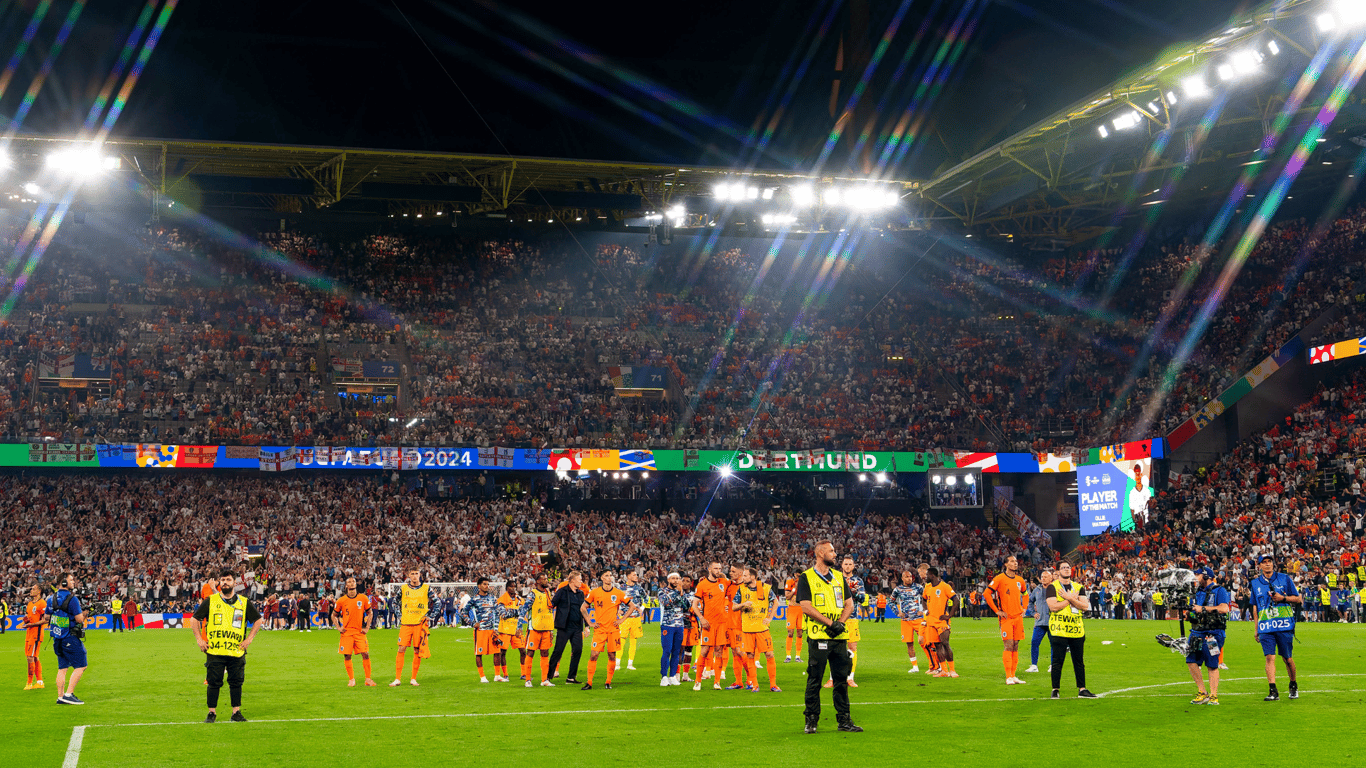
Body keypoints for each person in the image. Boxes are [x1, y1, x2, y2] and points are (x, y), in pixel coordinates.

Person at [796, 540, 861, 734]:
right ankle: (811, 720)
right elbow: (805, 606)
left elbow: (849, 604)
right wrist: (830, 624)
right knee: (815, 679)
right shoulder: (806, 577)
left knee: (841, 679)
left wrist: (839, 623)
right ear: (820, 553)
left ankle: (844, 720)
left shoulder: (839, 578)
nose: (835, 554)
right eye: (831, 551)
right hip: (818, 637)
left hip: (839, 637)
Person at [191, 568, 264, 722]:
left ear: (234, 582)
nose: (225, 582)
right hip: (215, 651)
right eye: (222, 580)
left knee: (236, 682)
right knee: (213, 682)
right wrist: (199, 639)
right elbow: (194, 619)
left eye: (228, 580)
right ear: (220, 582)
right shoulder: (211, 600)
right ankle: (212, 713)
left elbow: (258, 620)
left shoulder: (243, 603)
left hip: (236, 651)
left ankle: (235, 712)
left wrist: (249, 639)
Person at [1250, 554, 1302, 701]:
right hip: (1266, 626)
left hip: (1284, 625)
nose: (1267, 565)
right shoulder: (1255, 583)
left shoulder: (1284, 578)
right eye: (1264, 562)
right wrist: (1256, 629)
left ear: (1273, 564)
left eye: (1269, 562)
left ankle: (1293, 684)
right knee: (1269, 657)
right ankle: (1273, 690)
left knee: (1287, 659)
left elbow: (1298, 599)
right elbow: (1255, 607)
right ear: (1259, 566)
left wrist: (1282, 598)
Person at [1046, 561, 1096, 699]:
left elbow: (1085, 606)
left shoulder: (1078, 587)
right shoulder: (1052, 587)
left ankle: (1082, 689)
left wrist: (1068, 598)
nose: (1067, 570)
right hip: (1059, 629)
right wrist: (1070, 599)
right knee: (1057, 661)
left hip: (1076, 629)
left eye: (1068, 567)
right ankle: (1055, 689)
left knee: (1079, 661)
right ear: (1058, 571)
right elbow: (1053, 607)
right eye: (1063, 568)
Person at [581, 570, 632, 690]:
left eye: (610, 575)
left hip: (613, 630)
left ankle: (608, 682)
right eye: (606, 576)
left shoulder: (618, 593)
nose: (610, 578)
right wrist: (589, 622)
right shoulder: (595, 592)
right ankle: (589, 683)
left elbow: (632, 606)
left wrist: (622, 620)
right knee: (594, 655)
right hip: (599, 630)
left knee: (612, 656)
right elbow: (583, 607)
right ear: (601, 578)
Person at [1186, 567, 1229, 705]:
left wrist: (1203, 609)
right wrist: (1189, 615)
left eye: (1197, 574)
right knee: (1191, 660)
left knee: (1212, 664)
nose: (1195, 577)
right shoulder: (1197, 592)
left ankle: (1213, 696)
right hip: (1197, 631)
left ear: (1206, 576)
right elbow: (1195, 611)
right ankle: (1202, 692)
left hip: (1213, 633)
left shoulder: (1219, 590)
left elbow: (1224, 608)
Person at [734, 564, 780, 692]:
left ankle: (773, 685)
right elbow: (733, 607)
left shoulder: (765, 588)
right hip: (747, 629)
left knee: (770, 654)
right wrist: (743, 604)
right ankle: (755, 685)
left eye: (745, 575)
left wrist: (770, 618)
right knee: (750, 656)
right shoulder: (741, 590)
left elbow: (775, 601)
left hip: (762, 628)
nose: (743, 578)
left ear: (753, 577)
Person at [986, 555, 1028, 685]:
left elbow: (1025, 595)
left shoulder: (1020, 580)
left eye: (1016, 561)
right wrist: (997, 611)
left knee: (1015, 646)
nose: (1015, 563)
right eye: (1012, 561)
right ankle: (1008, 676)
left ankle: (1014, 675)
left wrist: (1024, 608)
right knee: (1008, 645)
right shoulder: (999, 578)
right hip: (1006, 618)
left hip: (1018, 618)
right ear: (1005, 564)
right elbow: (986, 594)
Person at [825, 556, 866, 688]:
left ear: (853, 566)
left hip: (852, 618)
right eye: (845, 564)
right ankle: (832, 678)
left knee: (852, 648)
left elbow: (862, 598)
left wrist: (853, 591)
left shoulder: (858, 581)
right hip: (835, 618)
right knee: (833, 648)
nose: (848, 566)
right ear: (841, 566)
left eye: (850, 564)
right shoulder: (835, 578)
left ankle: (850, 677)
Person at [49, 572, 88, 705]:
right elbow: (79, 620)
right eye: (71, 580)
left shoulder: (51, 598)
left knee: (62, 668)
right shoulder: (72, 599)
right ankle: (68, 694)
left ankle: (60, 697)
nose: (73, 582)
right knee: (82, 665)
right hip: (70, 638)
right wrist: (86, 614)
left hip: (57, 638)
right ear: (63, 582)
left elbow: (46, 618)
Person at [692, 562, 731, 691]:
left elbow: (736, 584)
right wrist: (701, 618)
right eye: (715, 568)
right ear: (709, 569)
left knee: (719, 651)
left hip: (722, 623)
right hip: (708, 623)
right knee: (704, 651)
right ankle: (698, 681)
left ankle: (717, 682)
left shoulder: (724, 582)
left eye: (720, 568)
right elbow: (694, 605)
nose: (718, 570)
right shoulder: (702, 584)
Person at [391, 567, 430, 687]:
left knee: (417, 650)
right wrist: (399, 615)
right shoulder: (403, 588)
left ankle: (413, 678)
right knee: (401, 649)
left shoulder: (426, 588)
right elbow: (394, 602)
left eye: (416, 574)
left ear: (420, 575)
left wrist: (430, 616)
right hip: (406, 624)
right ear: (408, 575)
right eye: (412, 574)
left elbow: (437, 602)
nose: (414, 576)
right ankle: (397, 679)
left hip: (419, 624)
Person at [332, 577, 375, 687]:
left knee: (366, 654)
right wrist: (338, 627)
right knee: (347, 656)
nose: (351, 583)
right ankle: (351, 679)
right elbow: (333, 615)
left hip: (359, 632)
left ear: (356, 584)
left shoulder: (363, 598)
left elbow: (370, 613)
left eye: (353, 581)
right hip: (346, 633)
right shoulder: (341, 600)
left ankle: (368, 679)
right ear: (346, 586)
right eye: (349, 582)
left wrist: (367, 627)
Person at [548, 571, 587, 684]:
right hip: (564, 627)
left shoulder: (580, 593)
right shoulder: (561, 591)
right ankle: (548, 676)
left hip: (577, 628)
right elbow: (552, 604)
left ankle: (571, 677)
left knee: (578, 650)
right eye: (579, 579)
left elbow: (583, 610)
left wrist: (587, 626)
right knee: (558, 651)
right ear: (572, 580)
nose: (581, 581)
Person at [657, 572, 693, 686]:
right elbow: (666, 602)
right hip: (667, 625)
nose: (676, 580)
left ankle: (672, 676)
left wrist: (681, 593)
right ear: (668, 580)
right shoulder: (662, 591)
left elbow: (687, 606)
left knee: (677, 652)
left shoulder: (681, 592)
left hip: (680, 625)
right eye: (673, 578)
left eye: (678, 578)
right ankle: (664, 676)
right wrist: (678, 593)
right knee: (667, 651)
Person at [521, 574, 557, 687]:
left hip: (546, 627)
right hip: (534, 628)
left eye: (547, 579)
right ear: (537, 581)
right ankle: (527, 679)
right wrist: (519, 626)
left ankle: (544, 680)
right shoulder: (533, 594)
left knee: (545, 652)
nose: (546, 580)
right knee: (531, 652)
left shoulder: (548, 593)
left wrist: (551, 628)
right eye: (544, 579)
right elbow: (524, 609)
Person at [466, 577, 502, 683]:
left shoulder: (492, 598)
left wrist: (496, 628)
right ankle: (482, 676)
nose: (487, 586)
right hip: (480, 630)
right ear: (479, 586)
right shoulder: (474, 599)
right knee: (479, 653)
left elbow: (496, 613)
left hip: (492, 630)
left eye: (487, 584)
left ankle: (497, 675)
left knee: (497, 652)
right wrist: (472, 623)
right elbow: (463, 612)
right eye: (484, 584)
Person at [923, 566, 957, 677]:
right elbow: (923, 599)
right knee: (937, 646)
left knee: (945, 644)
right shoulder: (927, 587)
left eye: (927, 574)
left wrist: (950, 615)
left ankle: (952, 670)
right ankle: (944, 671)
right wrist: (925, 610)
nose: (925, 577)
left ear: (932, 575)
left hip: (942, 621)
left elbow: (955, 600)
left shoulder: (944, 586)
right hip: (931, 621)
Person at [890, 570, 923, 673]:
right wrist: (897, 613)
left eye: (910, 576)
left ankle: (935, 664)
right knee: (909, 644)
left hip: (918, 619)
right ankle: (915, 667)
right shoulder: (898, 589)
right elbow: (891, 601)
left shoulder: (918, 587)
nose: (909, 578)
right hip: (906, 621)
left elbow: (927, 598)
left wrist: (923, 611)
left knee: (925, 642)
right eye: (907, 576)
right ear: (902, 578)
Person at [496, 579, 526, 682]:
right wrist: (517, 611)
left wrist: (513, 612)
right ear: (507, 588)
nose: (513, 588)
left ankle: (523, 673)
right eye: (511, 586)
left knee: (523, 651)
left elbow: (524, 612)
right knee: (502, 652)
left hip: (517, 630)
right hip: (505, 630)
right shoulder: (501, 599)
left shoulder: (520, 599)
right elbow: (503, 615)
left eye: (515, 586)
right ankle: (505, 674)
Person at [1026, 569, 1053, 673]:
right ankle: (1034, 665)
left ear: (1051, 578)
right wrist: (1033, 613)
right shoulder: (1037, 589)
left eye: (1045, 577)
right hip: (1040, 622)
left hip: (1052, 621)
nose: (1043, 579)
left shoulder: (1055, 589)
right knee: (1034, 642)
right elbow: (1030, 601)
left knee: (1053, 644)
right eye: (1042, 577)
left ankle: (1052, 665)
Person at [618, 570, 646, 672]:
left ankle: (630, 664)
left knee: (633, 641)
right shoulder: (621, 588)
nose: (636, 576)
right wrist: (617, 610)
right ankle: (618, 663)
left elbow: (646, 598)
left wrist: (642, 609)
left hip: (636, 618)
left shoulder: (639, 588)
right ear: (628, 576)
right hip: (625, 618)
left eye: (636, 575)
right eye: (634, 575)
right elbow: (615, 599)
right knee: (621, 640)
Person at [21, 583, 47, 690]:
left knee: (30, 657)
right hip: (29, 632)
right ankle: (40, 682)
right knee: (34, 657)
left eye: (33, 589)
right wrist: (27, 619)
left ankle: (29, 682)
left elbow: (46, 619)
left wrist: (31, 624)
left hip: (36, 634)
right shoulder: (30, 603)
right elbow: (30, 616)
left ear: (39, 591)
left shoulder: (42, 603)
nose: (31, 590)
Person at [680, 575, 701, 681]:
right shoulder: (676, 594)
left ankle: (685, 675)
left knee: (689, 650)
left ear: (691, 583)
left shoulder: (695, 595)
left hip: (692, 625)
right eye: (683, 580)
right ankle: (676, 675)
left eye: (687, 581)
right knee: (679, 650)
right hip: (680, 625)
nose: (685, 583)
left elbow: (699, 608)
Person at [783, 572, 804, 663]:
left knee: (800, 633)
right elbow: (787, 597)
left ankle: (798, 656)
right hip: (792, 610)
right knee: (790, 632)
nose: (798, 578)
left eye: (800, 576)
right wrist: (794, 589)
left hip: (801, 610)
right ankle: (788, 656)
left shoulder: (804, 583)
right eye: (797, 576)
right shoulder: (789, 582)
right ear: (794, 574)